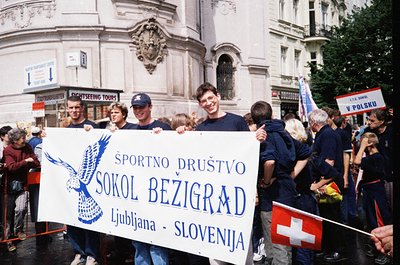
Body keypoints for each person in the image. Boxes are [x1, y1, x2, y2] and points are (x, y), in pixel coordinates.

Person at [251, 101, 297, 265]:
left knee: (276, 245)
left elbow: (269, 161)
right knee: (285, 242)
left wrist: (267, 180)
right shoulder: (283, 131)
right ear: (271, 115)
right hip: (288, 191)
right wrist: (291, 175)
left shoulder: (265, 133)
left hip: (273, 195)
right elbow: (305, 153)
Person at [130, 92, 171, 265]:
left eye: (142, 107)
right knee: (139, 244)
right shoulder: (130, 131)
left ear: (150, 107)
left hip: (156, 197)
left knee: (157, 244)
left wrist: (166, 138)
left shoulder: (163, 128)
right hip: (136, 197)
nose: (139, 111)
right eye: (136, 108)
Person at [66, 95, 101, 265]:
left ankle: (91, 254)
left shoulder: (92, 127)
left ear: (82, 108)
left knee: (89, 222)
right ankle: (78, 252)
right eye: (71, 107)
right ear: (67, 109)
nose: (74, 111)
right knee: (72, 219)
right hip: (73, 184)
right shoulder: (66, 128)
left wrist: (93, 133)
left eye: (77, 107)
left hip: (89, 183)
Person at [308, 109, 345, 263]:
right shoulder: (325, 134)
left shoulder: (327, 135)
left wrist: (320, 183)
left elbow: (329, 161)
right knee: (326, 217)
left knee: (332, 217)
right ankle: (328, 247)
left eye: (310, 122)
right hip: (327, 181)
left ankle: (336, 250)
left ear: (314, 123)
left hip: (330, 182)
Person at [353, 132, 392, 265]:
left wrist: (363, 146)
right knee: (371, 220)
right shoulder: (374, 157)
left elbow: (357, 161)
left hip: (376, 192)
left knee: (378, 220)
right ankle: (376, 247)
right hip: (369, 191)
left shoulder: (376, 157)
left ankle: (384, 251)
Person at [284, 118, 317, 265]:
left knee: (300, 242)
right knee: (305, 241)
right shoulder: (305, 149)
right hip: (306, 197)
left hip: (300, 199)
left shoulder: (297, 153)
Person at [3, 128, 40, 252]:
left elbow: (35, 161)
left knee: (21, 208)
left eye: (24, 137)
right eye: (22, 138)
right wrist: (26, 162)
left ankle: (18, 230)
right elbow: (11, 167)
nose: (24, 139)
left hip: (23, 184)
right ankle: (8, 240)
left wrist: (28, 162)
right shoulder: (8, 150)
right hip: (9, 186)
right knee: (7, 216)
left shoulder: (27, 147)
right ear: (15, 140)